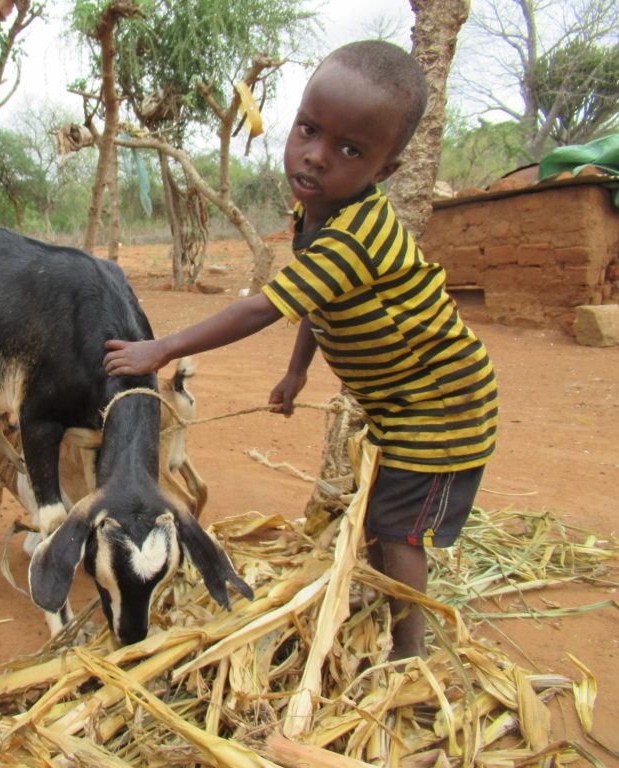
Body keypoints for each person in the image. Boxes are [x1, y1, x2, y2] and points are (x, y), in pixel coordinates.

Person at [102, 40, 498, 660]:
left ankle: (409, 656)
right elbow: (319, 298)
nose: (315, 157)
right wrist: (296, 371)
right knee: (380, 512)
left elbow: (266, 305)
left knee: (399, 525)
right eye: (308, 131)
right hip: (401, 401)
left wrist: (161, 349)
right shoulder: (313, 211)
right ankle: (372, 595)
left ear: (385, 170)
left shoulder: (357, 233)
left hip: (442, 405)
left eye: (349, 150)